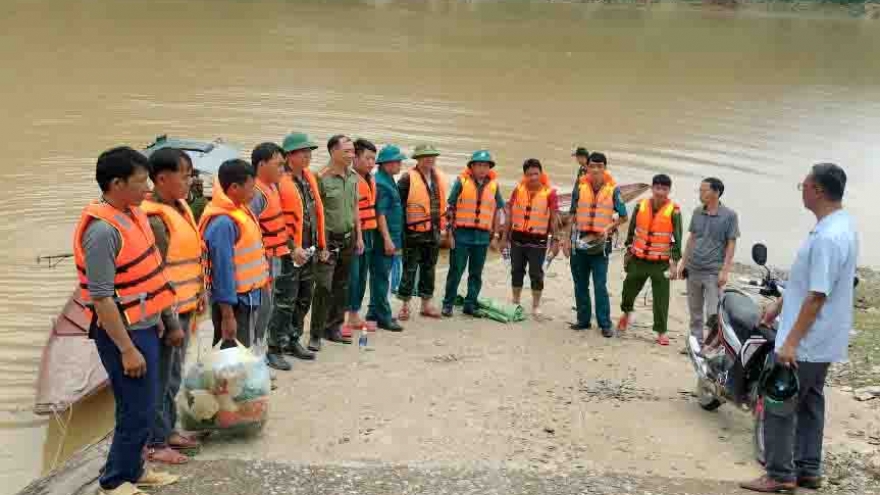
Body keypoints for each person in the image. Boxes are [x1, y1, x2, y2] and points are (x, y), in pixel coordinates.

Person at [741, 164, 858, 493]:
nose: (801, 189)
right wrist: (778, 306)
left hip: (806, 341)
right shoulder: (841, 225)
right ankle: (808, 468)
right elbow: (811, 282)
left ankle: (780, 474)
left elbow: (817, 296)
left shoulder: (828, 237)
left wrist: (790, 342)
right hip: (823, 340)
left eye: (803, 184)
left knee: (780, 402)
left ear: (817, 190)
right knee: (810, 402)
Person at [73, 146, 179, 495]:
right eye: (140, 182)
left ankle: (133, 470)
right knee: (135, 409)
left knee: (145, 406)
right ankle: (115, 481)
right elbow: (101, 297)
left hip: (145, 324)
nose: (147, 188)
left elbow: (149, 276)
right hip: (123, 333)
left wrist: (161, 317)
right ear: (116, 184)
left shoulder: (132, 214)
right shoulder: (102, 232)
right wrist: (127, 349)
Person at [142, 148, 203, 464]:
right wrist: (168, 320)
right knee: (161, 377)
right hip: (167, 314)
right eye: (185, 174)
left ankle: (167, 431)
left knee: (173, 375)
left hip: (185, 306)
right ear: (162, 178)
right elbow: (156, 273)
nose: (190, 180)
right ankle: (154, 442)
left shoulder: (179, 206)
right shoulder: (154, 219)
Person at [198, 159, 270, 348]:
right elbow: (222, 271)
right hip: (235, 303)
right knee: (232, 353)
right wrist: (227, 316)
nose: (254, 192)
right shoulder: (223, 222)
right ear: (234, 188)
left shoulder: (240, 210)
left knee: (243, 350)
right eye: (251, 187)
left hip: (250, 297)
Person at [563, 152, 628, 337]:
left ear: (605, 168)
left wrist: (609, 227)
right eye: (592, 166)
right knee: (580, 283)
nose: (596, 170)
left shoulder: (613, 190)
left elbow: (624, 217)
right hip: (579, 241)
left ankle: (605, 324)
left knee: (600, 284)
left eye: (600, 166)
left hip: (601, 244)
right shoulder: (580, 187)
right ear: (587, 168)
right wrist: (566, 240)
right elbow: (571, 215)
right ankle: (583, 320)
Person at [274, 132, 324, 360]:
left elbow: (315, 214)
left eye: (309, 152)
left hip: (310, 249)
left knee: (305, 298)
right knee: (285, 302)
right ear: (289, 156)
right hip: (289, 252)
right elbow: (276, 222)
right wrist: (293, 247)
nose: (308, 156)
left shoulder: (308, 178)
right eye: (303, 152)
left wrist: (321, 245)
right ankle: (276, 346)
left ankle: (293, 340)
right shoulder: (278, 183)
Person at [617, 174, 683, 346]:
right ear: (652, 188)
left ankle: (661, 331)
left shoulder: (674, 211)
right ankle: (626, 313)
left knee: (661, 298)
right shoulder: (640, 206)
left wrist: (675, 263)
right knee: (628, 290)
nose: (660, 192)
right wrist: (627, 250)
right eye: (657, 188)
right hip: (638, 259)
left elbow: (677, 238)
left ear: (669, 190)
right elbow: (632, 230)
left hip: (660, 263)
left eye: (664, 189)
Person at [309, 135, 360, 350]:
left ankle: (334, 328)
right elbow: (314, 214)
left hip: (348, 238)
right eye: (347, 151)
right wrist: (321, 245)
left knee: (342, 285)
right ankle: (315, 335)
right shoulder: (319, 177)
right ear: (333, 152)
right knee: (323, 287)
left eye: (353, 151)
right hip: (328, 241)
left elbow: (354, 207)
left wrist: (359, 236)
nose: (352, 155)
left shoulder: (353, 177)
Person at [677, 177, 739, 350]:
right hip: (693, 268)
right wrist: (683, 263)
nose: (700, 193)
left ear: (716, 192)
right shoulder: (698, 212)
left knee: (713, 313)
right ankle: (695, 344)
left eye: (704, 190)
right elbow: (692, 238)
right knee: (695, 312)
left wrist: (725, 271)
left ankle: (714, 344)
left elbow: (731, 244)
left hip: (713, 271)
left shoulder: (730, 216)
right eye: (700, 190)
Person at [441, 150, 505, 316]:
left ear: (489, 168)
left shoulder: (494, 185)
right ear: (472, 167)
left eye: (485, 165)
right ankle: (447, 303)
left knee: (476, 273)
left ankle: (470, 304)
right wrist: (449, 234)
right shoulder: (461, 182)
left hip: (482, 237)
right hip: (461, 234)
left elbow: (498, 211)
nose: (482, 169)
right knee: (456, 270)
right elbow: (450, 208)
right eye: (479, 165)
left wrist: (496, 236)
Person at [250, 142, 296, 371]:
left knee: (269, 307)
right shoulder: (255, 194)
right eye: (278, 164)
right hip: (261, 261)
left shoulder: (272, 188)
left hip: (275, 257)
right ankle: (255, 362)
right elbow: (249, 234)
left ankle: (262, 356)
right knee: (260, 311)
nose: (282, 168)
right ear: (261, 165)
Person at [397, 144, 446, 321]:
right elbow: (399, 207)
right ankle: (404, 306)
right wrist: (401, 232)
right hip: (412, 232)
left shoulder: (438, 177)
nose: (429, 159)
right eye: (425, 156)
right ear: (417, 158)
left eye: (432, 156)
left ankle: (426, 304)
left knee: (429, 268)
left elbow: (443, 205)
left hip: (433, 231)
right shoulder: (407, 178)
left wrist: (444, 228)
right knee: (409, 269)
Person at [506, 158, 559, 318]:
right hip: (517, 238)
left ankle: (536, 305)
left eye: (536, 174)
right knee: (516, 270)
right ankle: (516, 301)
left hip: (538, 240)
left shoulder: (550, 193)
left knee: (536, 273)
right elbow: (509, 214)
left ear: (541, 174)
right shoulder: (517, 190)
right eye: (529, 174)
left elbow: (554, 218)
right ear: (525, 175)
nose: (533, 177)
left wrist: (555, 241)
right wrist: (502, 237)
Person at [367, 145, 407, 331]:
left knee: (380, 275)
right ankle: (384, 316)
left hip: (391, 235)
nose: (400, 164)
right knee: (382, 276)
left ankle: (373, 312)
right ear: (385, 164)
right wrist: (387, 239)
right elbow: (380, 214)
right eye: (397, 161)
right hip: (385, 237)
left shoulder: (387, 179)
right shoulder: (382, 183)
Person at [345, 139, 378, 334]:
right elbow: (352, 211)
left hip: (369, 231)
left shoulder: (370, 179)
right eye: (367, 158)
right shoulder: (349, 179)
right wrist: (358, 237)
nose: (371, 163)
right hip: (356, 233)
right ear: (355, 157)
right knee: (352, 276)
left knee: (362, 274)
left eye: (373, 159)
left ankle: (354, 315)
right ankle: (347, 317)